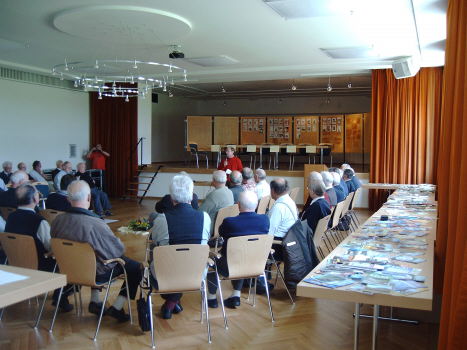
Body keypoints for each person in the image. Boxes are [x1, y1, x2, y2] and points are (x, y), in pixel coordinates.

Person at [51, 180, 142, 322]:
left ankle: (95, 302)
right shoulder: (96, 224)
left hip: (68, 269)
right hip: (93, 273)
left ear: (68, 199)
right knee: (136, 268)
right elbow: (116, 251)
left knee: (92, 254)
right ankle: (117, 308)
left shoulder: (57, 220)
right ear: (89, 198)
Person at [149, 173, 210, 319]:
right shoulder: (205, 217)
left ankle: (171, 302)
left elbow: (156, 242)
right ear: (191, 195)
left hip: (166, 275)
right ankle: (172, 303)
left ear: (171, 197)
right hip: (196, 273)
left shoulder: (162, 219)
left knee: (157, 252)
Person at [5, 184, 73, 312]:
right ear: (35, 200)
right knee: (68, 261)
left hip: (15, 264)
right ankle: (61, 296)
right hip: (40, 265)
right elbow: (51, 247)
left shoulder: (10, 217)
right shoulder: (39, 221)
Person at [206, 191, 269, 309]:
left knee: (212, 260)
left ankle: (212, 298)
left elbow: (221, 233)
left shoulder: (230, 222)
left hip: (231, 266)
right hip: (256, 265)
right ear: (256, 205)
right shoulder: (265, 220)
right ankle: (236, 295)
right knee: (242, 256)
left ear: (238, 205)